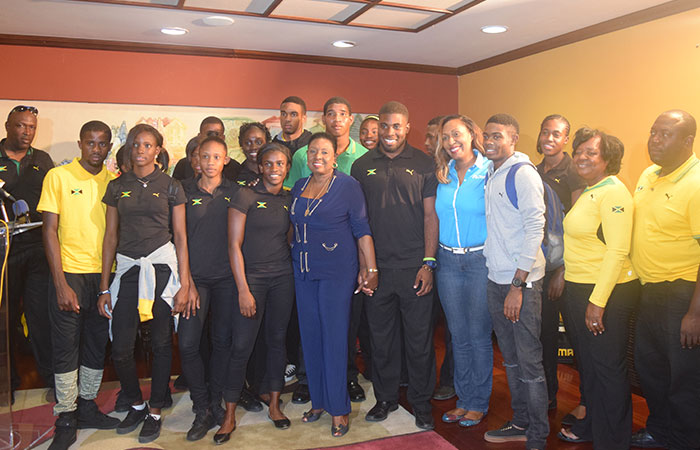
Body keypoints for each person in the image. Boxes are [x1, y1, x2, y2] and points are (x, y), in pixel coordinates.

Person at [98, 124, 195, 444]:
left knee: (161, 342)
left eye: (147, 145)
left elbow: (180, 237)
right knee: (122, 347)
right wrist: (103, 286)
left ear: (157, 150)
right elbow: (110, 237)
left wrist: (185, 282)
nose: (140, 150)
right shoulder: (116, 187)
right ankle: (136, 404)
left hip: (162, 270)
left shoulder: (171, 185)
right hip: (127, 270)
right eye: (135, 144)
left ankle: (154, 410)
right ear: (129, 149)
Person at [351, 101, 438, 430]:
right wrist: (365, 268)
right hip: (377, 270)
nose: (389, 133)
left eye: (396, 126)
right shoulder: (361, 166)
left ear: (407, 127)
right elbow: (358, 222)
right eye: (384, 126)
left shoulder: (425, 164)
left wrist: (428, 263)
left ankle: (420, 402)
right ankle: (385, 398)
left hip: (415, 267)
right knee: (381, 340)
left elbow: (431, 216)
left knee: (419, 340)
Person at [38, 121, 120, 450]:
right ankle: (66, 415)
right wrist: (59, 283)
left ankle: (86, 405)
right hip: (69, 274)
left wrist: (106, 285)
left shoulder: (114, 182)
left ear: (109, 147)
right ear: (80, 144)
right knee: (65, 347)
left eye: (102, 144)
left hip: (103, 278)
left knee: (95, 346)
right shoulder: (58, 177)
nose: (96, 149)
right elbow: (48, 231)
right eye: (91, 143)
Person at [291, 132, 377, 437]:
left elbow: (361, 229)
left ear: (334, 157)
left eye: (325, 152)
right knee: (311, 338)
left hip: (336, 271)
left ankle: (338, 409)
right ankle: (318, 401)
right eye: (313, 151)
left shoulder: (348, 186)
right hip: (303, 271)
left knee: (335, 338)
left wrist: (370, 268)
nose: (318, 157)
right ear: (306, 155)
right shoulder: (300, 186)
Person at [556, 128, 639, 448]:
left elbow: (618, 251)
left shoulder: (614, 193)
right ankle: (592, 426)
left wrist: (598, 302)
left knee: (608, 369)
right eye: (579, 151)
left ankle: (614, 440)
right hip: (580, 288)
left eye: (591, 152)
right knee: (590, 367)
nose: (581, 157)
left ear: (608, 159)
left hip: (606, 293)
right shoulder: (593, 189)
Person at [212, 142, 296, 443]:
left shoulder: (289, 197)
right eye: (269, 163)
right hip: (252, 282)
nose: (275, 169)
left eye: (280, 164)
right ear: (260, 167)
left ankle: (274, 405)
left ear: (287, 167)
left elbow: (287, 239)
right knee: (241, 346)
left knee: (276, 342)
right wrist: (243, 289)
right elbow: (233, 245)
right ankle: (229, 414)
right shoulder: (245, 194)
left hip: (283, 279)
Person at [630, 110, 700, 450]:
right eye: (653, 132)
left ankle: (686, 440)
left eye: (665, 134)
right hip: (649, 291)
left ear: (688, 141)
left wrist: (695, 314)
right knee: (650, 369)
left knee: (684, 378)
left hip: (682, 296)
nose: (655, 140)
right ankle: (660, 430)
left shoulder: (697, 183)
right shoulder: (648, 174)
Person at [481, 113, 548, 450]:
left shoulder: (523, 174)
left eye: (497, 136)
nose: (490, 141)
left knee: (529, 363)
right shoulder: (492, 173)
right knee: (509, 359)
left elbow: (535, 229)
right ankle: (521, 421)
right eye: (486, 136)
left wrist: (517, 286)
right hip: (496, 280)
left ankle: (537, 436)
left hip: (521, 285)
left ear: (513, 138)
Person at [434, 115, 492, 428]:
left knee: (478, 335)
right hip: (447, 263)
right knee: (457, 336)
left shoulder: (489, 170)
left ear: (471, 134)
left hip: (480, 262)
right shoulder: (442, 174)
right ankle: (463, 399)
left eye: (456, 134)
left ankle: (478, 402)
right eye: (445, 137)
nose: (451, 141)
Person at [179, 136, 237, 441]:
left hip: (227, 279)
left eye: (217, 157)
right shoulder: (184, 191)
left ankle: (215, 403)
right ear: (196, 160)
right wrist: (185, 282)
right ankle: (200, 407)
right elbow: (179, 239)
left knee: (222, 342)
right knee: (188, 344)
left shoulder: (236, 192)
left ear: (226, 160)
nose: (211, 162)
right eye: (206, 157)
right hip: (194, 280)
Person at [1, 105, 55, 399]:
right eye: (22, 126)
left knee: (40, 316)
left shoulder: (43, 160)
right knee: (5, 318)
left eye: (32, 127)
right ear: (8, 126)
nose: (27, 132)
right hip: (4, 250)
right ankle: (7, 382)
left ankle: (51, 378)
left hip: (37, 249)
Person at [534, 114, 586, 417]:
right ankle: (548, 396)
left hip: (568, 270)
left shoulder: (574, 173)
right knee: (545, 336)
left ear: (565, 139)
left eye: (556, 134)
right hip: (541, 266)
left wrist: (563, 271)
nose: (549, 139)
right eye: (545, 133)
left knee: (578, 339)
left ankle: (586, 402)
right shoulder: (534, 170)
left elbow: (577, 226)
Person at [425, 114, 456, 402]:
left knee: (452, 327)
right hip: (429, 259)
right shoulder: (426, 170)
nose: (428, 142)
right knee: (426, 323)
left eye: (433, 137)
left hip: (455, 260)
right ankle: (421, 379)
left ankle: (450, 379)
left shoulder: (459, 172)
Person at [285, 97, 368, 189]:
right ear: (323, 119)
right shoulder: (302, 155)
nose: (337, 119)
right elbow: (290, 193)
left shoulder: (365, 156)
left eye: (342, 114)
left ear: (351, 119)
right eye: (331, 114)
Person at [172, 116, 240, 181]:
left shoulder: (233, 167)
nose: (212, 138)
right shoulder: (184, 165)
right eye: (209, 134)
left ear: (223, 138)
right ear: (199, 136)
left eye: (217, 134)